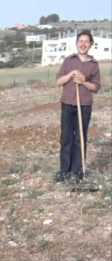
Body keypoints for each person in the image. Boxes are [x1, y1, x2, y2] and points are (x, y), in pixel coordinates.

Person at [55, 30, 101, 183]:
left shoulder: (94, 65)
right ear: (76, 43)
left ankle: (77, 171)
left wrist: (83, 82)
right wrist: (70, 75)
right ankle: (64, 171)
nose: (83, 44)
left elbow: (96, 87)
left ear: (90, 45)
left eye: (86, 41)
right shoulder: (69, 61)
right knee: (66, 138)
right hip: (67, 103)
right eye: (80, 41)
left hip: (85, 105)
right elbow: (58, 81)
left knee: (80, 139)